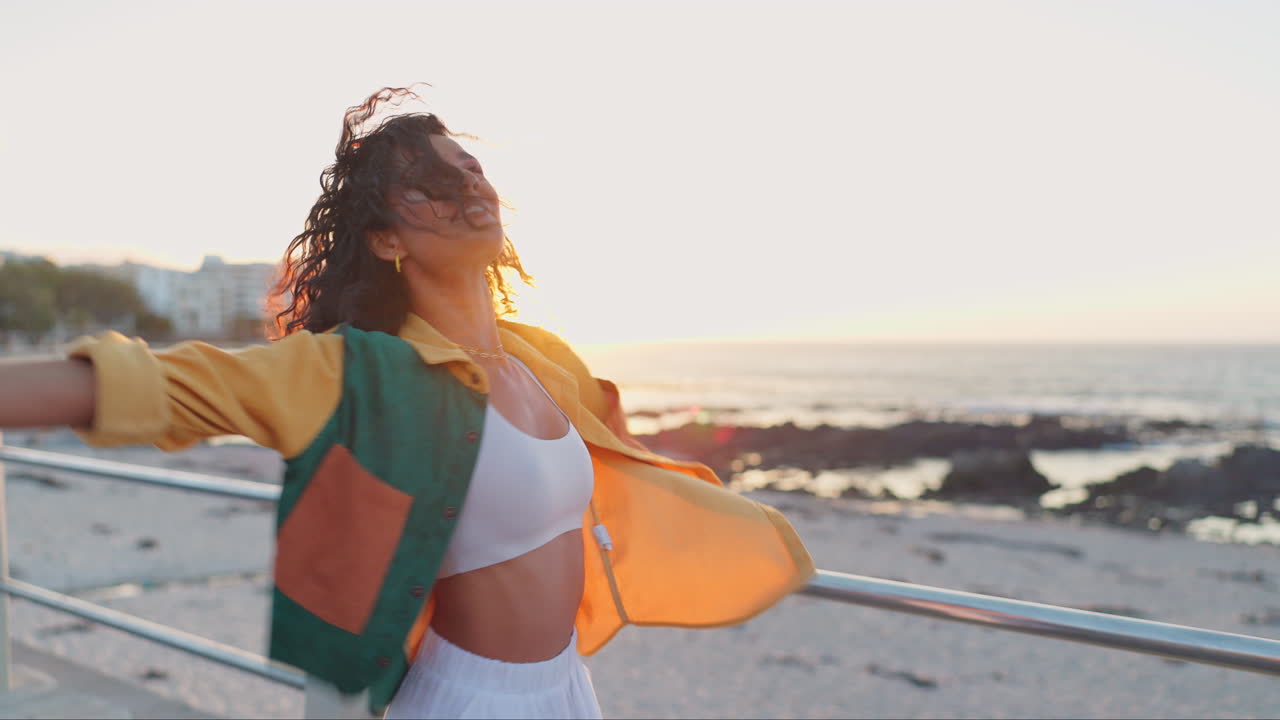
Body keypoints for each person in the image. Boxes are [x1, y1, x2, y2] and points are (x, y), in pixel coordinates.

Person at [0, 86, 815, 719]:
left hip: (571, 686)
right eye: (429, 180)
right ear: (385, 240)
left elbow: (622, 461)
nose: (467, 181)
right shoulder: (358, 374)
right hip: (467, 700)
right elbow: (144, 386)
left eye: (471, 166)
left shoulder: (547, 359)